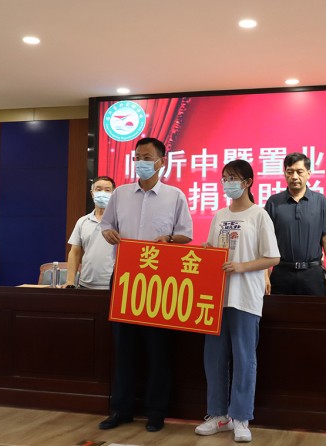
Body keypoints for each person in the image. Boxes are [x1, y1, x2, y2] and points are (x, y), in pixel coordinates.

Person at [98, 137, 193, 432]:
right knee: (123, 348)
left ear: (162, 162)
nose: (141, 162)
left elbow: (186, 235)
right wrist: (108, 233)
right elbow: (106, 225)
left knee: (158, 349)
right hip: (125, 278)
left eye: (147, 157)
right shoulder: (121, 194)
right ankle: (121, 409)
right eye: (137, 157)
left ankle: (156, 411)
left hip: (160, 281)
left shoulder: (175, 196)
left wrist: (169, 239)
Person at [195, 160, 280, 443]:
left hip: (245, 297)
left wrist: (242, 266)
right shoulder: (219, 215)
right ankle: (218, 415)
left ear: (247, 182)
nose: (227, 183)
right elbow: (213, 252)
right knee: (214, 358)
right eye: (224, 178)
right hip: (215, 298)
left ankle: (241, 417)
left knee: (244, 358)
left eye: (233, 178)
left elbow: (272, 257)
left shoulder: (259, 215)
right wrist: (208, 252)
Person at [264, 152, 326, 296]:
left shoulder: (320, 201)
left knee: (315, 311)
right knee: (279, 311)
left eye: (299, 172)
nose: (295, 176)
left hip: (313, 274)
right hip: (282, 273)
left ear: (308, 174)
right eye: (290, 172)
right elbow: (265, 241)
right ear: (285, 174)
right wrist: (265, 274)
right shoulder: (274, 202)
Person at [63, 176, 115, 289]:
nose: (102, 193)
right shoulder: (82, 221)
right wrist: (70, 281)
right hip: (85, 284)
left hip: (113, 284)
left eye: (107, 190)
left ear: (113, 194)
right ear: (92, 193)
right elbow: (75, 252)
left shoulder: (119, 221)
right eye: (98, 189)